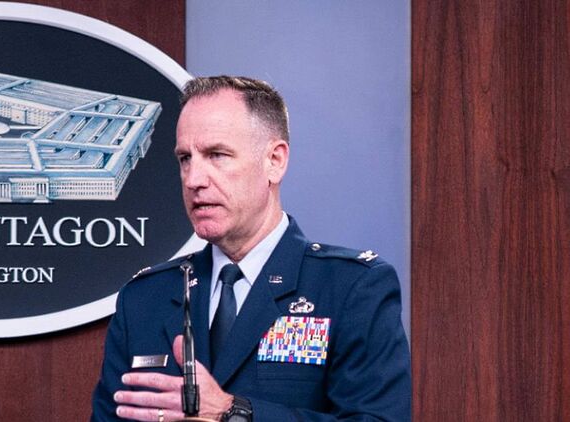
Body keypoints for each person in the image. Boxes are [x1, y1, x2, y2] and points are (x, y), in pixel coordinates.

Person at [91, 76, 411, 421]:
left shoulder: (351, 288)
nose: (194, 179)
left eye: (217, 155)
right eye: (185, 158)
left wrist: (233, 413)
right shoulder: (144, 299)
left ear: (275, 161)